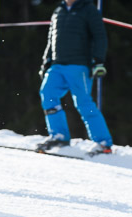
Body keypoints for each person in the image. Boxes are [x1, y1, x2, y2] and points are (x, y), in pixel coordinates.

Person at [37, 0, 113, 155]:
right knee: (48, 93)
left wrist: (98, 61)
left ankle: (103, 143)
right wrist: (47, 61)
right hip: (57, 65)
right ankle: (59, 136)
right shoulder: (59, 10)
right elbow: (52, 38)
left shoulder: (88, 9)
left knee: (83, 102)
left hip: (79, 65)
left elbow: (100, 36)